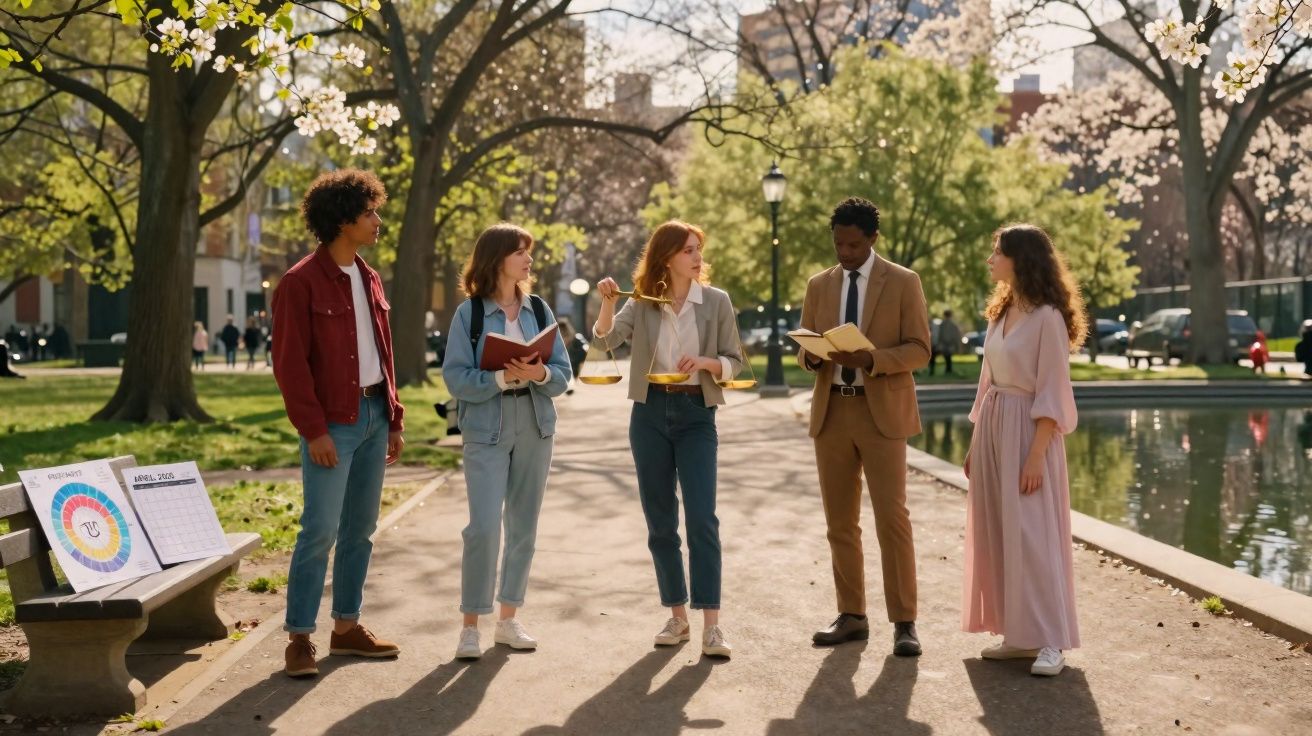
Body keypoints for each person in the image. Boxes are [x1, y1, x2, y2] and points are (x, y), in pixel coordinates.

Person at [272, 168, 406, 678]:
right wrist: (314, 431)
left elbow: (384, 353)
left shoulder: (369, 277)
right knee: (320, 530)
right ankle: (299, 638)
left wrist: (393, 416)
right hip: (333, 424)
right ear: (344, 218)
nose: (378, 221)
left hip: (374, 415)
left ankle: (346, 628)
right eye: (370, 212)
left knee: (361, 530)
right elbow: (290, 365)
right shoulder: (299, 282)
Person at [594, 220, 744, 659]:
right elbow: (605, 340)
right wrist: (605, 302)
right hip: (649, 414)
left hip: (698, 412)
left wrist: (706, 362)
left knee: (702, 520)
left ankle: (712, 626)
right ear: (666, 257)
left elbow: (736, 362)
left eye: (699, 249)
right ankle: (677, 618)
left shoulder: (716, 301)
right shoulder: (642, 302)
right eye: (688, 251)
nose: (698, 258)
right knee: (661, 522)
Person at [796, 197, 931, 656]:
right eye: (838, 244)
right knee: (840, 522)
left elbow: (920, 349)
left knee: (892, 520)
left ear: (873, 239)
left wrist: (871, 358)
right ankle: (852, 615)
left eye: (853, 244)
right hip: (832, 410)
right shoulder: (819, 285)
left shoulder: (903, 282)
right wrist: (812, 354)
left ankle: (905, 623)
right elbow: (805, 345)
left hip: (883, 414)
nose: (845, 252)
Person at [443, 223, 571, 660]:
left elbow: (563, 373)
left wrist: (541, 374)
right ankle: (470, 626)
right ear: (498, 258)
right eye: (521, 251)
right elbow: (455, 377)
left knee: (523, 527)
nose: (529, 260)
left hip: (535, 423)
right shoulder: (470, 314)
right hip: (486, 425)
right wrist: (501, 376)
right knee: (482, 527)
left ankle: (508, 618)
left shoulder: (538, 308)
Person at [963, 223, 1084, 677]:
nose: (991, 259)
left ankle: (1052, 639)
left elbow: (1053, 389)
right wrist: (977, 443)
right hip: (994, 427)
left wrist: (1036, 454)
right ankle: (1019, 634)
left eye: (997, 252)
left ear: (1021, 259)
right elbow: (987, 380)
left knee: (1034, 535)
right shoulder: (1001, 310)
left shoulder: (1048, 317)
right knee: (1000, 531)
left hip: (1030, 433)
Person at [932, 310, 962, 375]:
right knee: (947, 357)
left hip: (947, 344)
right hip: (947, 344)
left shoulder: (944, 325)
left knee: (947, 357)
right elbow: (956, 336)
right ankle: (948, 369)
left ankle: (948, 369)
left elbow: (940, 335)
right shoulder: (951, 325)